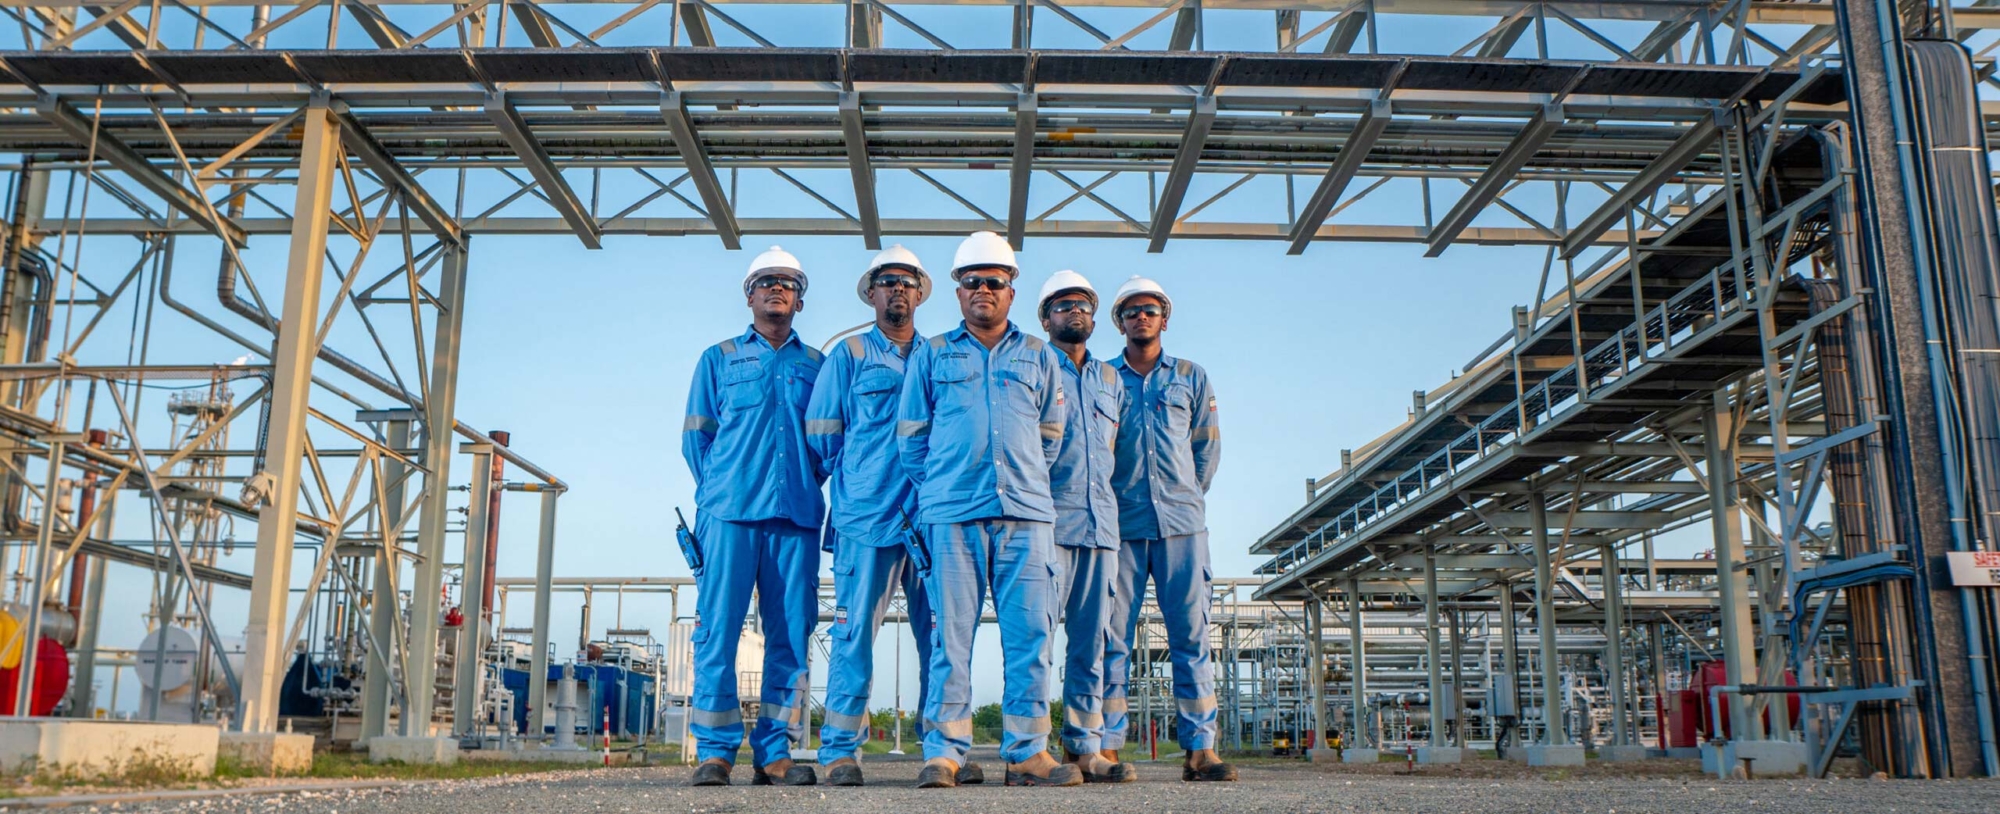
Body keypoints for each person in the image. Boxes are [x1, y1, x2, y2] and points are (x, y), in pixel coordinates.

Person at [896, 231, 1080, 789]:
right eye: (971, 281)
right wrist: (949, 485)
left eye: (993, 281)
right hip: (952, 518)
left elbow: (1052, 435)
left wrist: (1020, 481)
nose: (983, 290)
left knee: (1030, 639)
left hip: (1026, 516)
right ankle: (946, 753)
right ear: (957, 291)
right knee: (950, 640)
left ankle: (1027, 753)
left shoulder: (1040, 356)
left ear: (1011, 289)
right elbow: (911, 440)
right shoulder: (932, 355)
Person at [806, 246, 981, 787]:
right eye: (888, 282)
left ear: (921, 294)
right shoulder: (850, 355)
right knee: (853, 636)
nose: (898, 290)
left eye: (908, 282)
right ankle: (839, 752)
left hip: (933, 519)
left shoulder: (938, 356)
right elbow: (822, 434)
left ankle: (943, 752)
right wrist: (857, 478)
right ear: (872, 293)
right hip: (866, 521)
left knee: (942, 641)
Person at [682, 246, 827, 787]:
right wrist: (724, 489)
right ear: (748, 294)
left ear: (799, 300)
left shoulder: (818, 365)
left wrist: (806, 485)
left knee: (792, 632)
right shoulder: (717, 359)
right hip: (729, 517)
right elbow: (696, 438)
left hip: (796, 517)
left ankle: (774, 752)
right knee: (717, 632)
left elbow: (827, 440)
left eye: (787, 283)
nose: (776, 290)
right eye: (766, 281)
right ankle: (716, 752)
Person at [1100, 275, 1237, 782]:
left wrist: (1185, 497)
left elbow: (1206, 451)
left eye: (1150, 310)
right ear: (1119, 322)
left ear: (1165, 318)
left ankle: (1201, 749)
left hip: (1181, 525)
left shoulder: (1191, 377)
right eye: (1132, 311)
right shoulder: (1104, 379)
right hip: (1121, 526)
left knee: (1191, 635)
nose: (1141, 317)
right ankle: (1107, 745)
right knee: (1112, 638)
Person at [1036, 270, 1135, 784]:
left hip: (1103, 528)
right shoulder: (1030, 364)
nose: (1074, 311)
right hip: (1049, 524)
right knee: (1036, 641)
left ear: (1096, 318)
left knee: (1091, 644)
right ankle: (1031, 749)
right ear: (1044, 317)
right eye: (1062, 304)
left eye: (1083, 304)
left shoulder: (1111, 380)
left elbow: (1116, 452)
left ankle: (1085, 747)